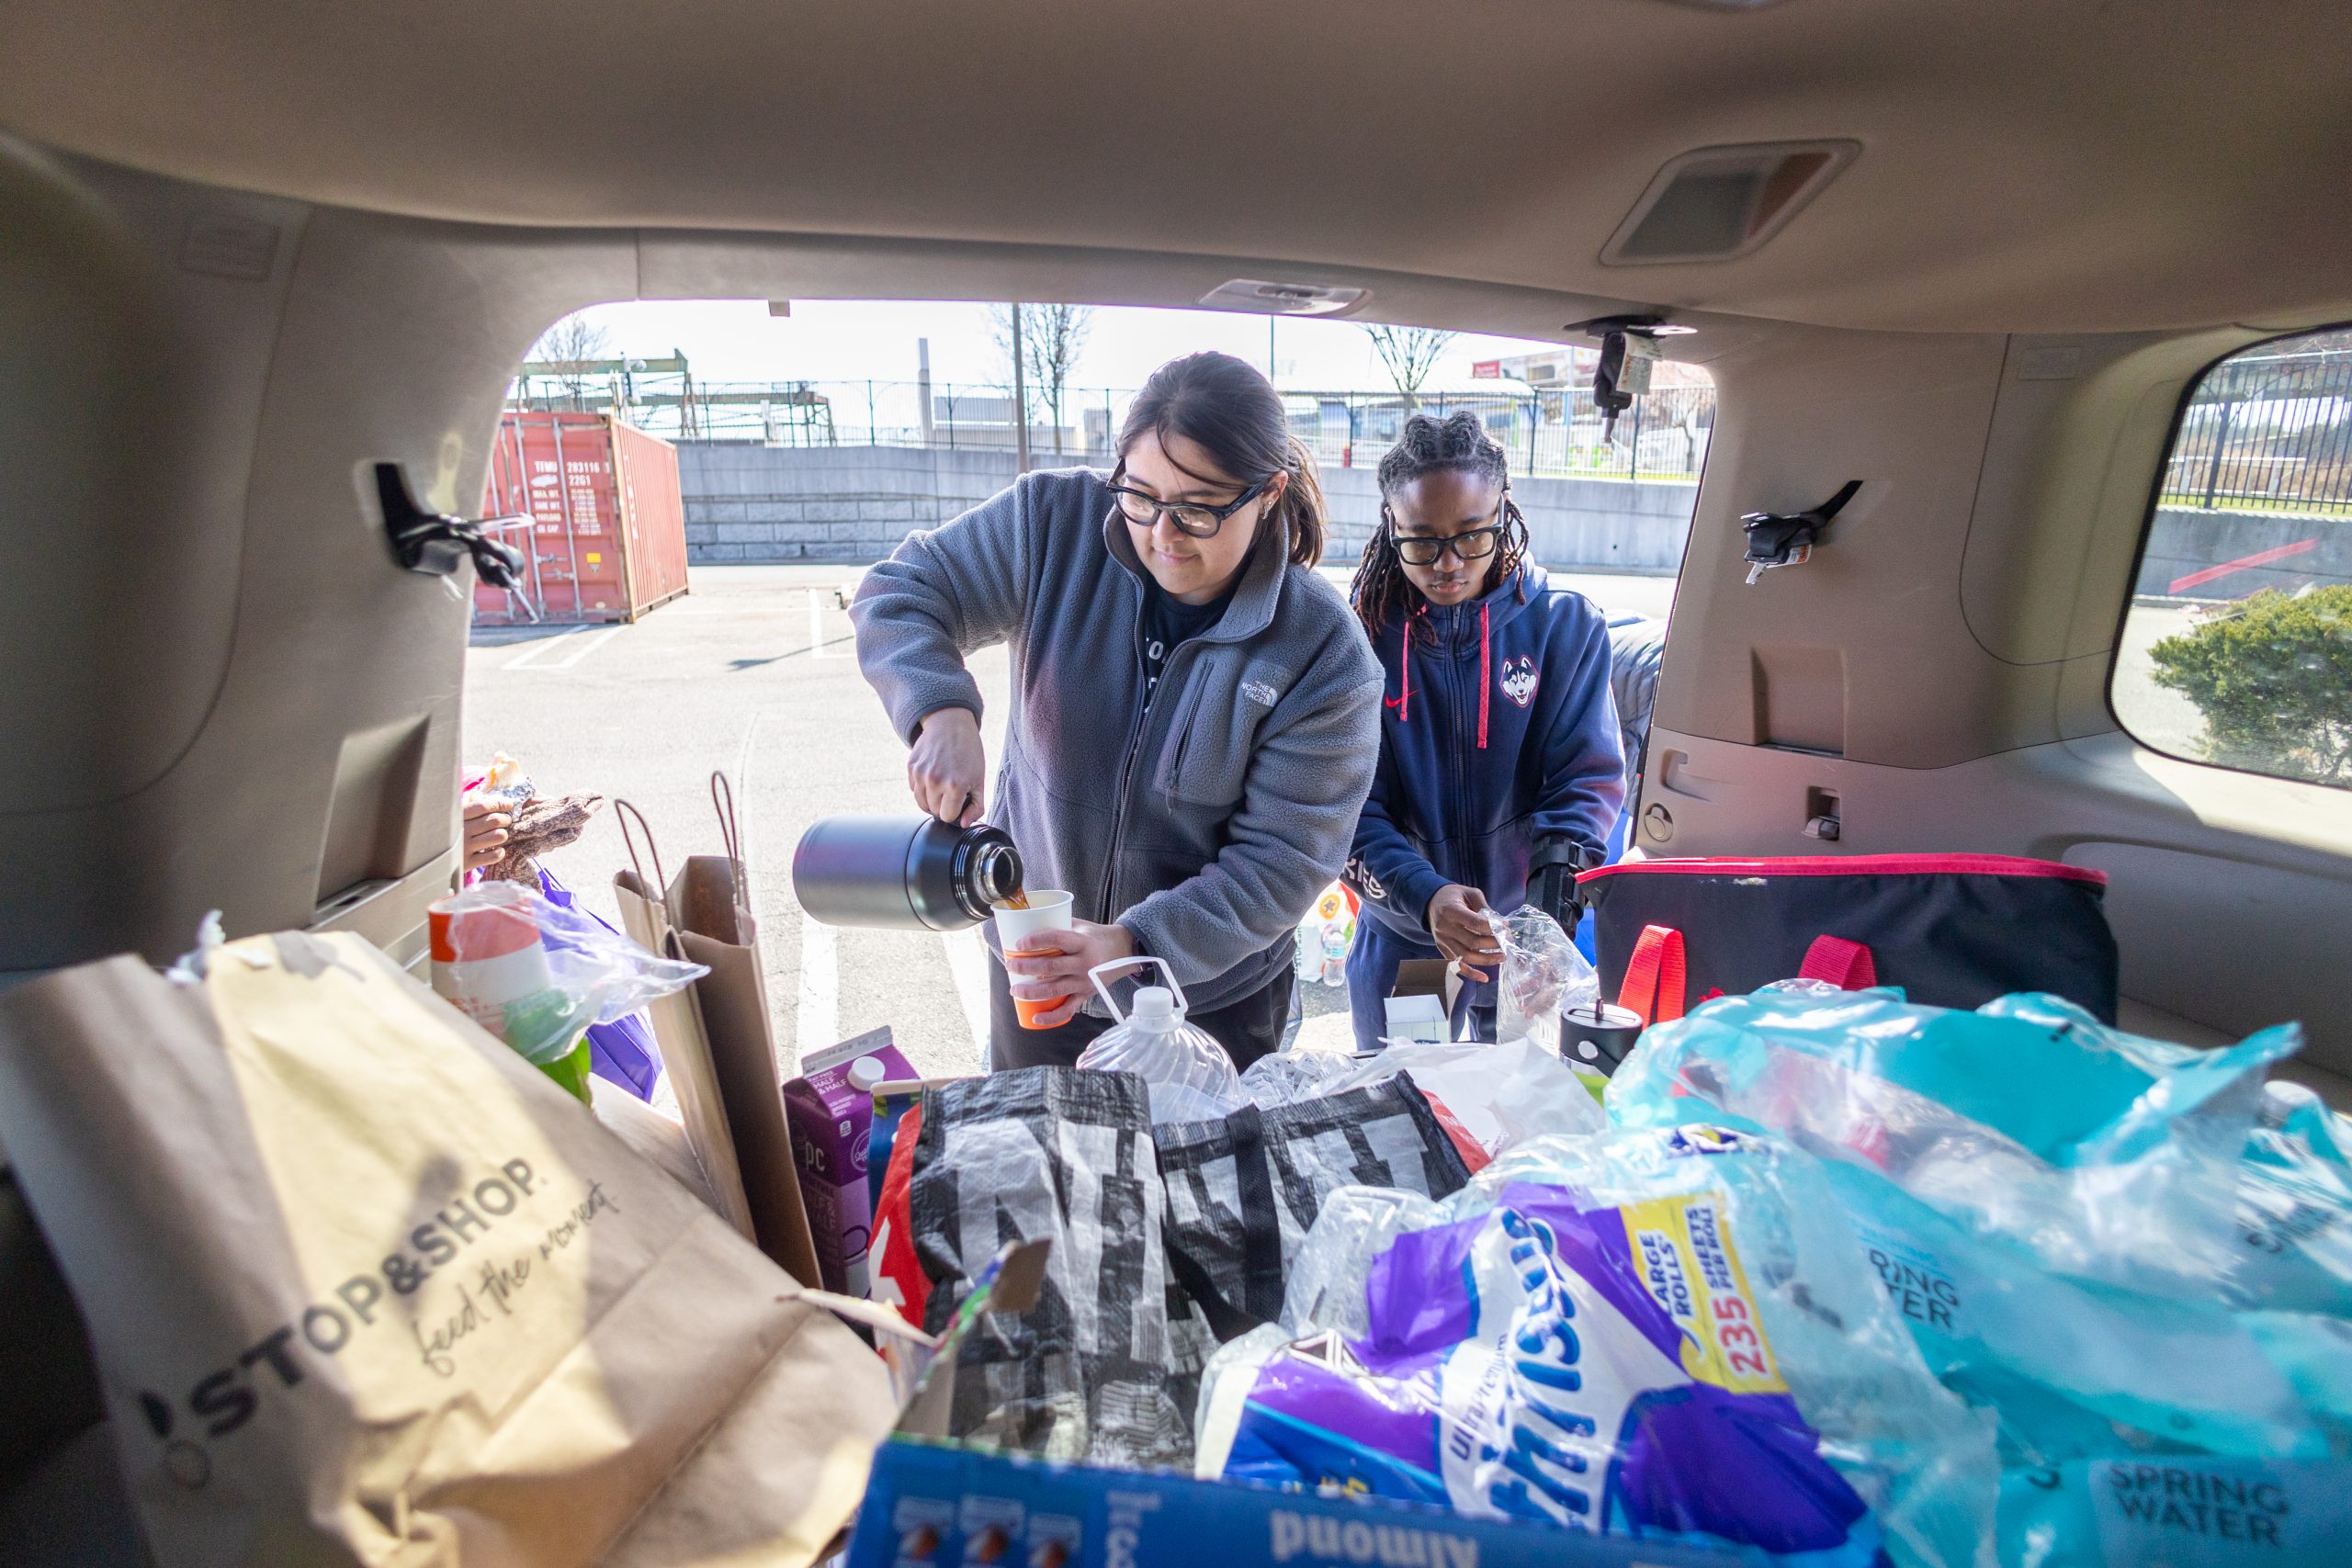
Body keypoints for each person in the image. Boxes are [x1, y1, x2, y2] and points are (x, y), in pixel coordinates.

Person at [851, 351, 1384, 1071]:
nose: (1163, 532)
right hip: (1038, 970)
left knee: (1188, 1176)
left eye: (1198, 509)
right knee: (1041, 1165)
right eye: (1140, 496)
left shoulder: (1321, 651)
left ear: (1268, 493)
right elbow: (900, 591)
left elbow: (1282, 860)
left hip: (1201, 1001)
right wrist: (940, 709)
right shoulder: (1053, 526)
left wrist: (1133, 945)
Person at [1342, 412, 1625, 1051]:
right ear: (1390, 528)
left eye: (1472, 536)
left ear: (1505, 513)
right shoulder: (1359, 643)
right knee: (1411, 1114)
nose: (1447, 563)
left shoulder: (1565, 628)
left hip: (1527, 943)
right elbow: (1349, 810)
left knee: (1522, 1120)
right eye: (1420, 541)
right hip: (1412, 942)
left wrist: (1544, 926)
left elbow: (1586, 783)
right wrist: (1426, 897)